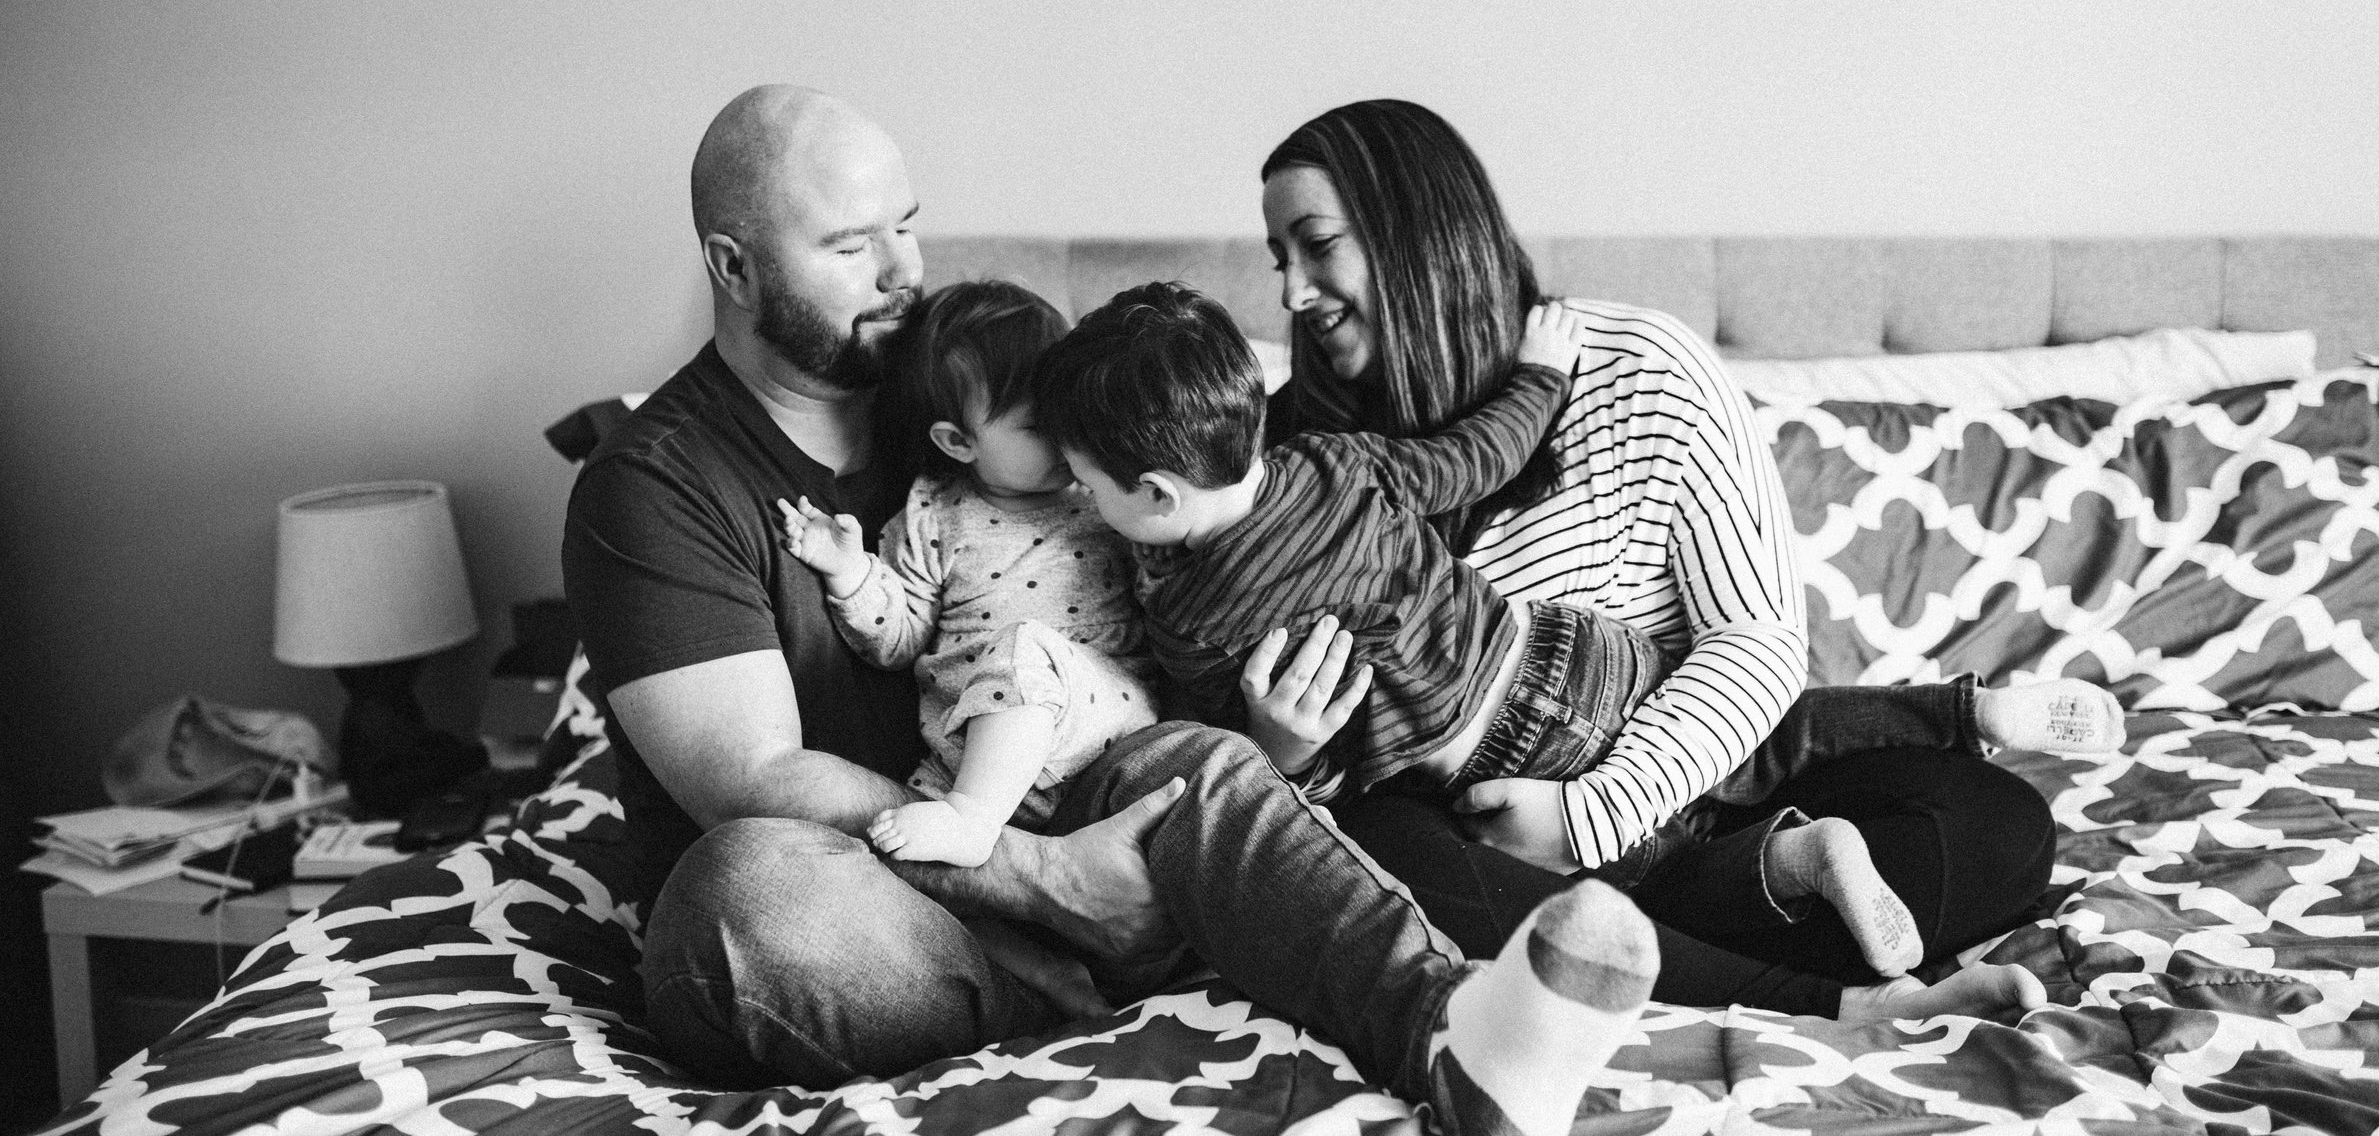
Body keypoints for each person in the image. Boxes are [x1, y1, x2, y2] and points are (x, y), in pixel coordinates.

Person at [561, 83, 1703, 1136]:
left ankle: (1451, 1035)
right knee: (743, 893)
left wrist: (1258, 752)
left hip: (1096, 811)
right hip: (887, 904)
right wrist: (1053, 878)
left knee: (1198, 764)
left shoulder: (1000, 390)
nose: (904, 271)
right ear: (735, 265)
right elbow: (750, 774)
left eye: (906, 225)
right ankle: (1089, 980)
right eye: (852, 247)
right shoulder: (657, 481)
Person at [1245, 97, 2070, 1020]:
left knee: (1998, 828)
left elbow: (1756, 640)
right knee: (1381, 856)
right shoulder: (1281, 460)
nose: (1293, 294)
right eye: (1280, 259)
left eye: (1318, 245)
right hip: (1474, 835)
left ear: (1417, 233)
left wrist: (1591, 816)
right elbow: (1305, 756)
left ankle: (1636, 947)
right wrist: (1284, 752)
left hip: (1695, 784)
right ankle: (1824, 988)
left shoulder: (1637, 368)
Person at [1034, 278, 2119, 978]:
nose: (1294, 289)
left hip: (1500, 763)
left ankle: (1784, 873)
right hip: (1568, 652)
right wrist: (1540, 378)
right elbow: (1478, 455)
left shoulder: (1185, 611)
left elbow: (1221, 751)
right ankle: (1969, 710)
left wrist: (1277, 749)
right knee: (1781, 735)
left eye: (1315, 247)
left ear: (1159, 493)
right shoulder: (1335, 458)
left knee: (1649, 864)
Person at [777, 279, 1159, 868]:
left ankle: (973, 823)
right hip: (967, 761)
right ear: (958, 442)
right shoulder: (932, 514)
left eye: (1071, 412)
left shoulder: (1103, 495)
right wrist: (851, 572)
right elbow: (899, 640)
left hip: (1099, 729)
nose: (1068, 435)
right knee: (886, 855)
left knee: (1027, 649)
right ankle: (998, 898)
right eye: (1039, 425)